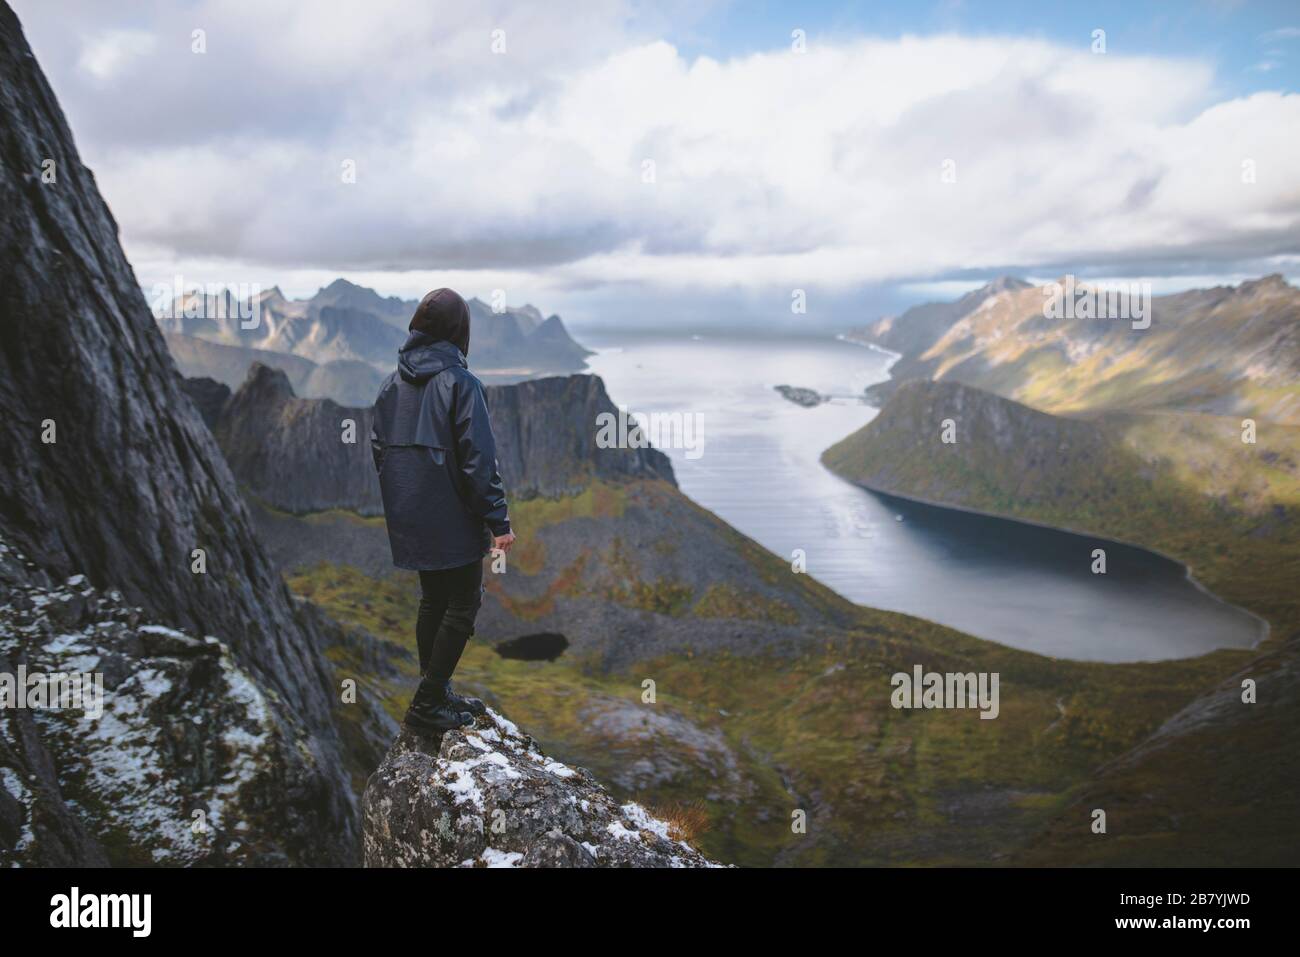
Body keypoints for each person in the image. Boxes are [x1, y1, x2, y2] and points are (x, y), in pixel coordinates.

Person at [370, 288, 516, 732]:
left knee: (433, 598)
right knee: (464, 600)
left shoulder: (390, 383)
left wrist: (405, 489)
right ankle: (429, 702)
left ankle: (434, 687)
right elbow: (477, 459)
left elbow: (379, 446)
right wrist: (498, 520)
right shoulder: (462, 384)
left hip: (410, 510)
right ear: (459, 331)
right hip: (451, 513)